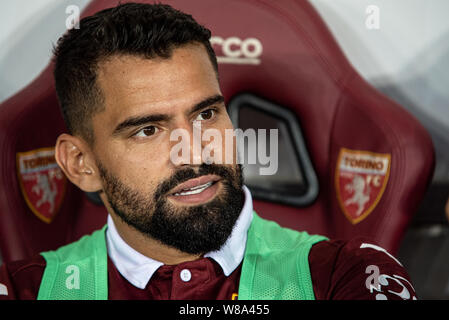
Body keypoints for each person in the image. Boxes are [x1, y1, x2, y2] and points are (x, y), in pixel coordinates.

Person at [0, 2, 416, 300]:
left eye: (206, 113)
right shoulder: (23, 289)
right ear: (80, 164)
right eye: (148, 130)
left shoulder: (349, 276)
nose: (195, 152)